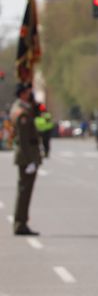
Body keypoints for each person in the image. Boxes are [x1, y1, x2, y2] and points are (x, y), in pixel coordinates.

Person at [11, 84, 43, 236]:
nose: (31, 95)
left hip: (26, 156)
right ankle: (20, 223)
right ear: (23, 94)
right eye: (29, 92)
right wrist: (31, 160)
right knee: (24, 192)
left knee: (24, 191)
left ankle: (21, 222)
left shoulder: (22, 108)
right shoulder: (22, 111)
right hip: (26, 157)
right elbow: (24, 139)